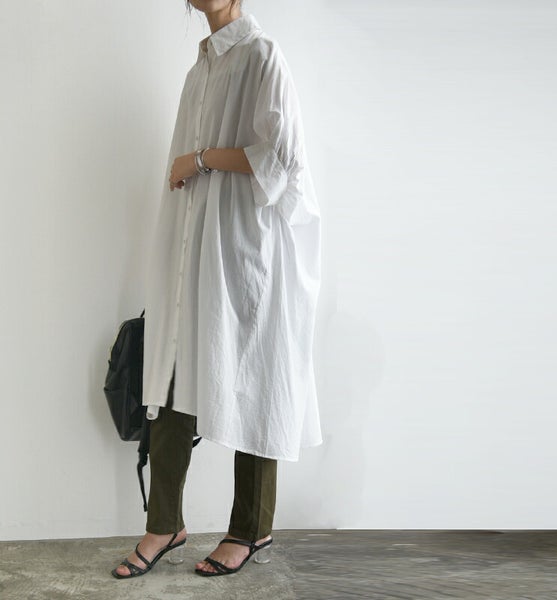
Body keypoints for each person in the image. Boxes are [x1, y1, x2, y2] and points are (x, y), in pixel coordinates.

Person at [112, 0, 322, 579]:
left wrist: (199, 159)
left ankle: (251, 528)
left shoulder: (262, 55)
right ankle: (165, 524)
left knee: (256, 378)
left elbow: (281, 157)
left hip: (245, 251)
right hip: (193, 249)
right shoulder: (198, 71)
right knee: (172, 376)